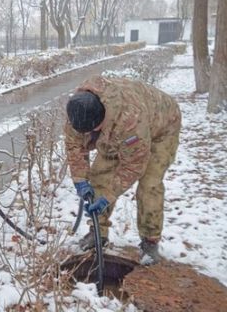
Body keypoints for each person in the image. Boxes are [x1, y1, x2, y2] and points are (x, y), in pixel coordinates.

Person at [65, 75, 181, 264]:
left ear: (101, 121)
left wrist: (108, 196)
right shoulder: (79, 110)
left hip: (162, 127)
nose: (87, 136)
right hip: (118, 126)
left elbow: (134, 165)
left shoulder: (130, 120)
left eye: (91, 131)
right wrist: (80, 179)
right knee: (99, 177)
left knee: (149, 185)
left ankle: (149, 241)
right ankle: (98, 234)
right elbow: (74, 146)